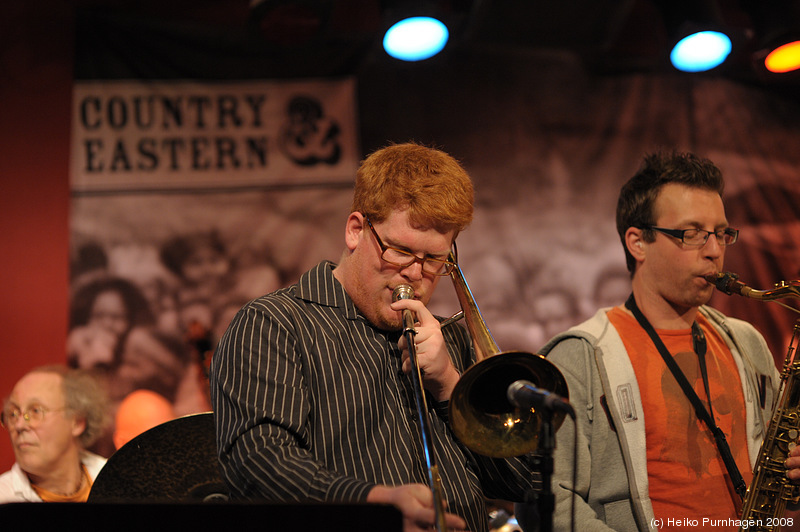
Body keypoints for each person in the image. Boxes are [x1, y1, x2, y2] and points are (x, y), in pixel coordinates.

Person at [210, 142, 538, 532]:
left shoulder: (450, 338)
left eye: (434, 259)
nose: (415, 275)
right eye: (400, 251)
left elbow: (521, 480)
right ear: (355, 231)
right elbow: (258, 466)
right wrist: (374, 506)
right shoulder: (274, 325)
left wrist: (450, 386)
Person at [516, 151, 797, 531]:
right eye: (692, 233)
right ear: (637, 242)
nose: (714, 251)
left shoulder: (747, 343)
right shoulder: (578, 357)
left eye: (721, 233)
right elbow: (548, 500)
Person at [0, 365, 109, 503]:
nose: (19, 425)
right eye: (13, 414)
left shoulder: (118, 480)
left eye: (36, 411)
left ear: (77, 422)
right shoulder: (4, 499)